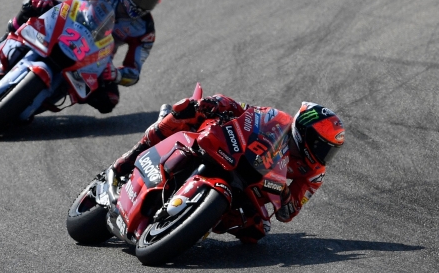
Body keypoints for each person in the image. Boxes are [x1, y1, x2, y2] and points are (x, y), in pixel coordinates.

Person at [107, 94, 345, 243]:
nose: (325, 156)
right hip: (230, 150)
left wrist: (284, 197)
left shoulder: (314, 174)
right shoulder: (277, 119)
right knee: (187, 111)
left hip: (253, 186)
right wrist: (215, 103)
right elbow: (243, 111)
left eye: (331, 151)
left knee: (258, 232)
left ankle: (202, 221)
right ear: (305, 133)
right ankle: (132, 155)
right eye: (322, 147)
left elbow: (288, 213)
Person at [0, 0, 164, 114]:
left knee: (109, 100)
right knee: (32, 5)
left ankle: (40, 101)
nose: (143, 5)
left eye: (150, 1)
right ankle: (2, 42)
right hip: (66, 27)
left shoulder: (145, 30)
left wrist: (116, 74)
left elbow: (134, 73)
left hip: (94, 58)